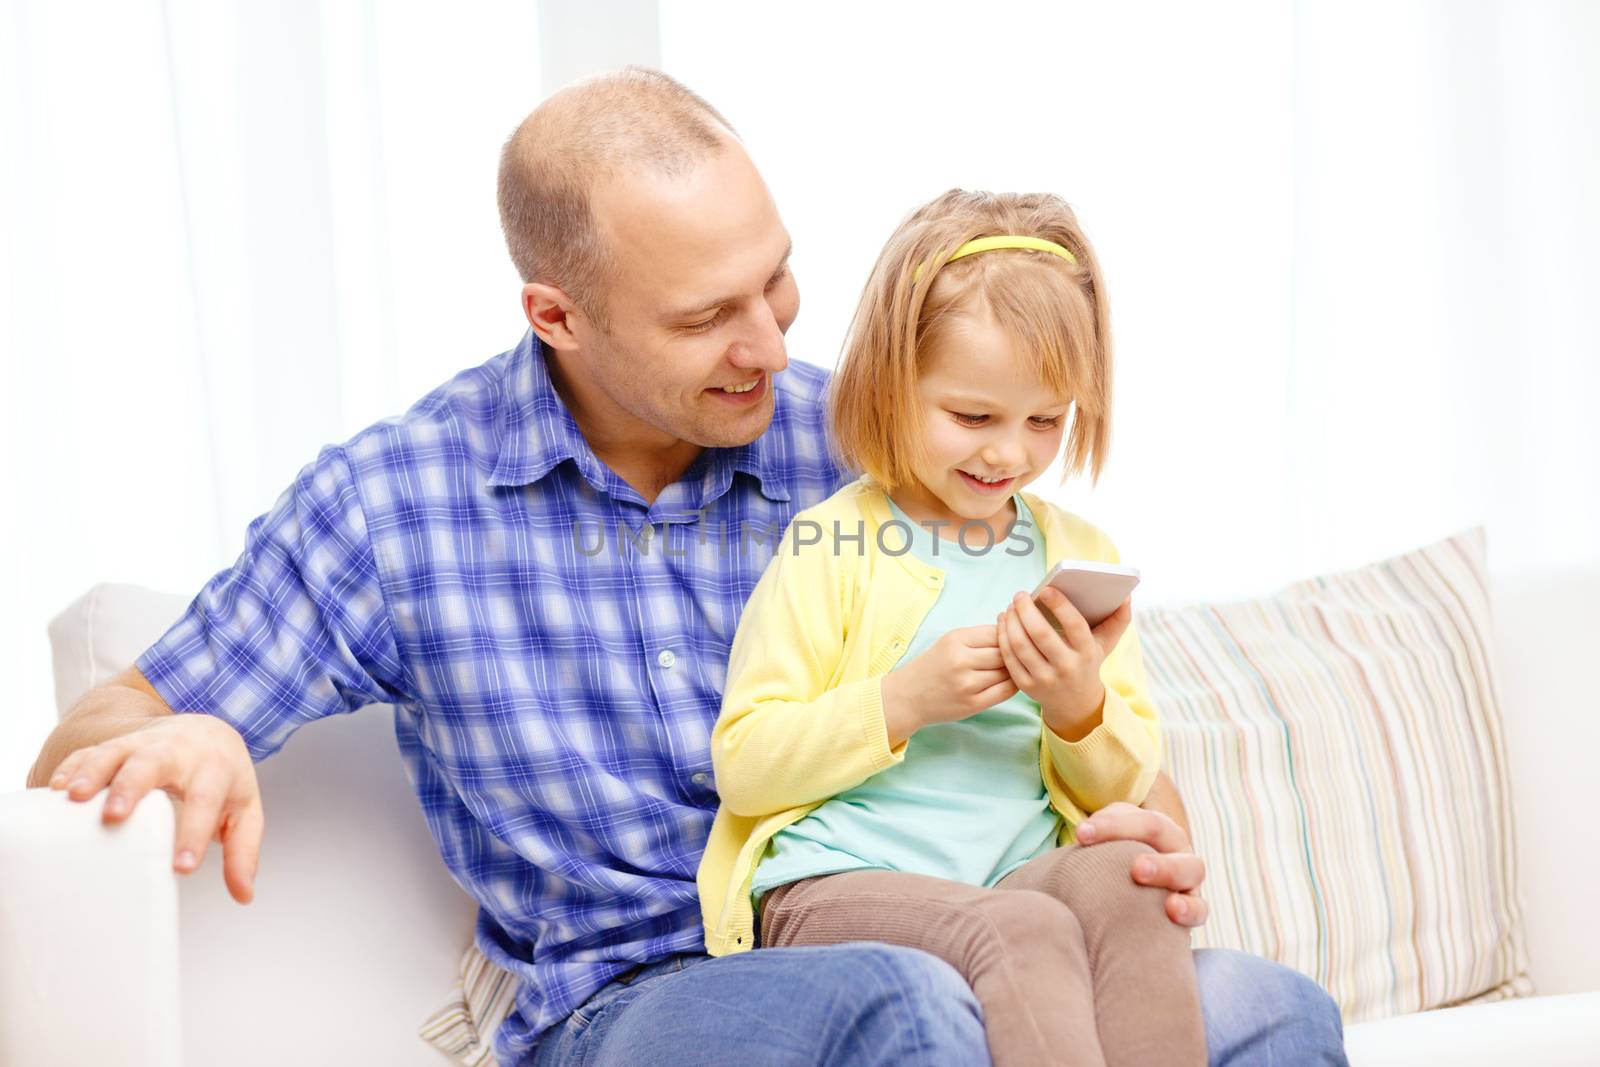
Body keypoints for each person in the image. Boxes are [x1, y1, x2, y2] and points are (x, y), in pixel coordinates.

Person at [25, 68, 1347, 1066]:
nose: (771, 346)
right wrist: (182, 730)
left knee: (1274, 1012)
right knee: (905, 1004)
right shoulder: (399, 504)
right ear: (558, 314)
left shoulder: (872, 447)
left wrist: (1136, 812)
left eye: (777, 284)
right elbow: (95, 730)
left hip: (960, 922)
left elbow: (1094, 725)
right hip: (637, 1001)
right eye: (708, 315)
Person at [698, 190, 1205, 1067]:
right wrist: (902, 700)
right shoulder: (835, 541)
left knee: (1130, 882)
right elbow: (744, 763)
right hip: (836, 883)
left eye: (1045, 420)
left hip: (1013, 875)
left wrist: (1077, 705)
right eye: (974, 417)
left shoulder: (1076, 552)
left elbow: (1128, 793)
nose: (1009, 453)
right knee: (1022, 928)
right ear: (896, 383)